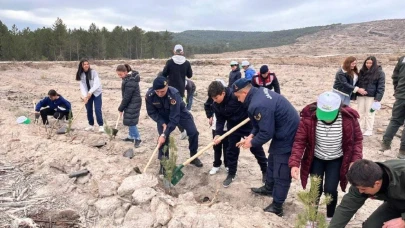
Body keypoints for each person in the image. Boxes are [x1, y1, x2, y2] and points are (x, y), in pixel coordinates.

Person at [289, 91, 363, 222]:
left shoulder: (349, 119)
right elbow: (300, 141)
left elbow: (357, 140)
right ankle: (311, 219)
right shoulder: (308, 118)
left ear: (338, 109)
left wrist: (355, 160)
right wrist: (295, 163)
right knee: (315, 189)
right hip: (316, 158)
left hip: (336, 159)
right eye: (322, 113)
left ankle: (330, 217)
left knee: (330, 189)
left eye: (328, 115)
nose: (324, 117)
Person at [233, 78, 300, 216]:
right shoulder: (258, 93)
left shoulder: (257, 105)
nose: (239, 100)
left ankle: (277, 207)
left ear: (244, 93)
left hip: (289, 133)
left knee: (281, 169)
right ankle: (269, 188)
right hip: (280, 129)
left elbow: (266, 132)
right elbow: (260, 124)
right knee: (272, 160)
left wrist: (251, 143)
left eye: (238, 97)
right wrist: (251, 135)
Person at [208, 81, 267, 187]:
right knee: (231, 150)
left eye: (216, 98)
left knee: (256, 148)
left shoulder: (235, 96)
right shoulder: (216, 104)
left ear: (223, 93)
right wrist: (218, 134)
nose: (214, 100)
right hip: (233, 127)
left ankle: (265, 171)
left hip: (247, 124)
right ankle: (231, 173)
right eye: (213, 98)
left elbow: (250, 105)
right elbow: (220, 120)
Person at [146, 76, 203, 173]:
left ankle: (193, 157)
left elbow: (174, 118)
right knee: (163, 141)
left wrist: (165, 133)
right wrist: (161, 122)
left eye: (162, 91)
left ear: (167, 86)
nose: (159, 94)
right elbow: (151, 112)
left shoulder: (173, 94)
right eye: (157, 91)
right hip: (162, 117)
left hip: (180, 114)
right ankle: (164, 165)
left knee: (193, 133)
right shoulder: (150, 95)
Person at [329, 159, 405, 228]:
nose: (360, 191)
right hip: (396, 204)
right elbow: (346, 208)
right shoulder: (361, 180)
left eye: (363, 189)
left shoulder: (402, 174)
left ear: (377, 184)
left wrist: (403, 220)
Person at [381, 55, 405, 159]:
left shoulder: (403, 59)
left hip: (400, 95)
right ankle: (403, 151)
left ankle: (385, 144)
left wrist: (397, 90)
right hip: (400, 94)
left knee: (395, 120)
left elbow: (395, 76)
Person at [204, 79, 229, 175]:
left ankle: (227, 165)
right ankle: (216, 165)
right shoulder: (213, 97)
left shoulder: (229, 98)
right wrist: (210, 116)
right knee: (216, 146)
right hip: (216, 126)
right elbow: (206, 105)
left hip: (227, 128)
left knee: (227, 147)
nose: (214, 100)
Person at [356, 56, 385, 136]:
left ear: (374, 63)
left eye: (370, 63)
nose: (368, 64)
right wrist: (358, 90)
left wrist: (378, 98)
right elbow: (358, 83)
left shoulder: (380, 72)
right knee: (360, 112)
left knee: (370, 113)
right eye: (367, 63)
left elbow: (381, 86)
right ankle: (360, 128)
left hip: (371, 96)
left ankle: (369, 129)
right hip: (361, 95)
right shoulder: (362, 71)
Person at [116, 64, 142, 148]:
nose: (119, 76)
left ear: (125, 72)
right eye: (118, 74)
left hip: (134, 102)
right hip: (131, 102)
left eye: (120, 74)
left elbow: (127, 97)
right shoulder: (127, 78)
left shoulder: (130, 81)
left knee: (131, 121)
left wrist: (121, 108)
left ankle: (137, 138)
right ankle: (131, 137)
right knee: (129, 118)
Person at [76, 59, 104, 132]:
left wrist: (90, 92)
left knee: (97, 109)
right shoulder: (81, 74)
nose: (86, 65)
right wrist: (85, 96)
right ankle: (91, 125)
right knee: (88, 109)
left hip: (96, 93)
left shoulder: (93, 72)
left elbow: (96, 84)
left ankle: (101, 126)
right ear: (81, 66)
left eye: (87, 64)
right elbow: (83, 86)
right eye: (84, 64)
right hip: (88, 94)